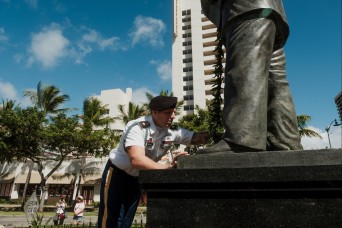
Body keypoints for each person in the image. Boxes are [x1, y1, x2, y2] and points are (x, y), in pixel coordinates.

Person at [198, 0, 302, 154]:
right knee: (275, 81)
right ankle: (285, 140)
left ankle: (241, 138)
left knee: (243, 72)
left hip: (245, 8)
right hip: (269, 11)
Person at [98, 95, 210, 228]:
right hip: (117, 175)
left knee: (126, 221)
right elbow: (137, 159)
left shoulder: (172, 131)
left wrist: (219, 134)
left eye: (174, 112)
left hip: (136, 179)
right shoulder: (137, 127)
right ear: (155, 113)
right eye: (168, 112)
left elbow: (197, 138)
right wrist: (167, 167)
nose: (173, 116)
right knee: (111, 219)